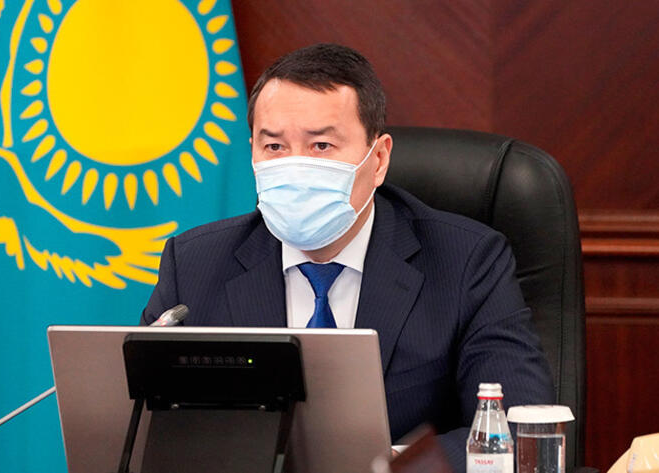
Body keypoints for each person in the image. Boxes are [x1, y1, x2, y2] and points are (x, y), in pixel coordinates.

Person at [141, 43, 554, 471]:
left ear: (379, 159)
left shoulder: (465, 261)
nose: (296, 168)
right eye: (275, 147)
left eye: (321, 146)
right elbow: (144, 430)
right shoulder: (194, 263)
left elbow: (516, 428)